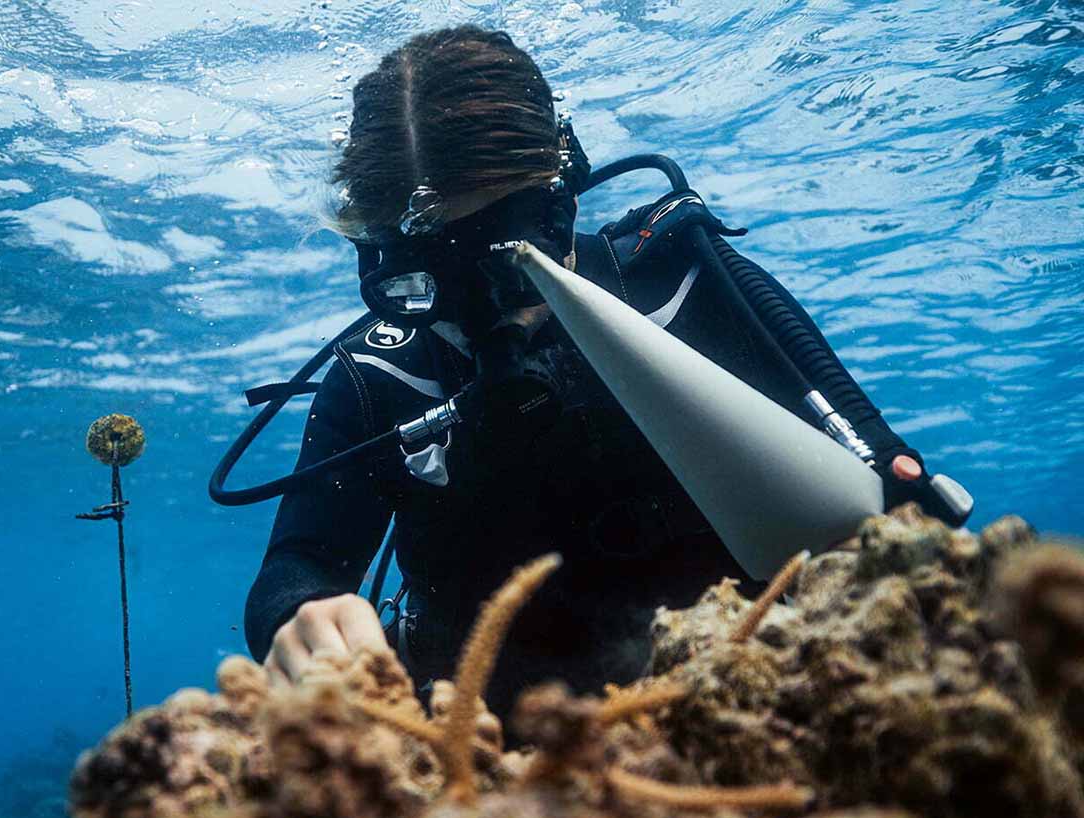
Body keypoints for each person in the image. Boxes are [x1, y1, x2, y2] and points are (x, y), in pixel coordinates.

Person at [241, 25, 955, 719]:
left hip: (753, 707)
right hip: (487, 750)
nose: (490, 310)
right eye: (437, 278)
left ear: (567, 190)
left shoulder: (684, 283)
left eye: (515, 258)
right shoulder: (381, 375)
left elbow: (884, 472)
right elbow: (299, 564)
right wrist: (299, 615)